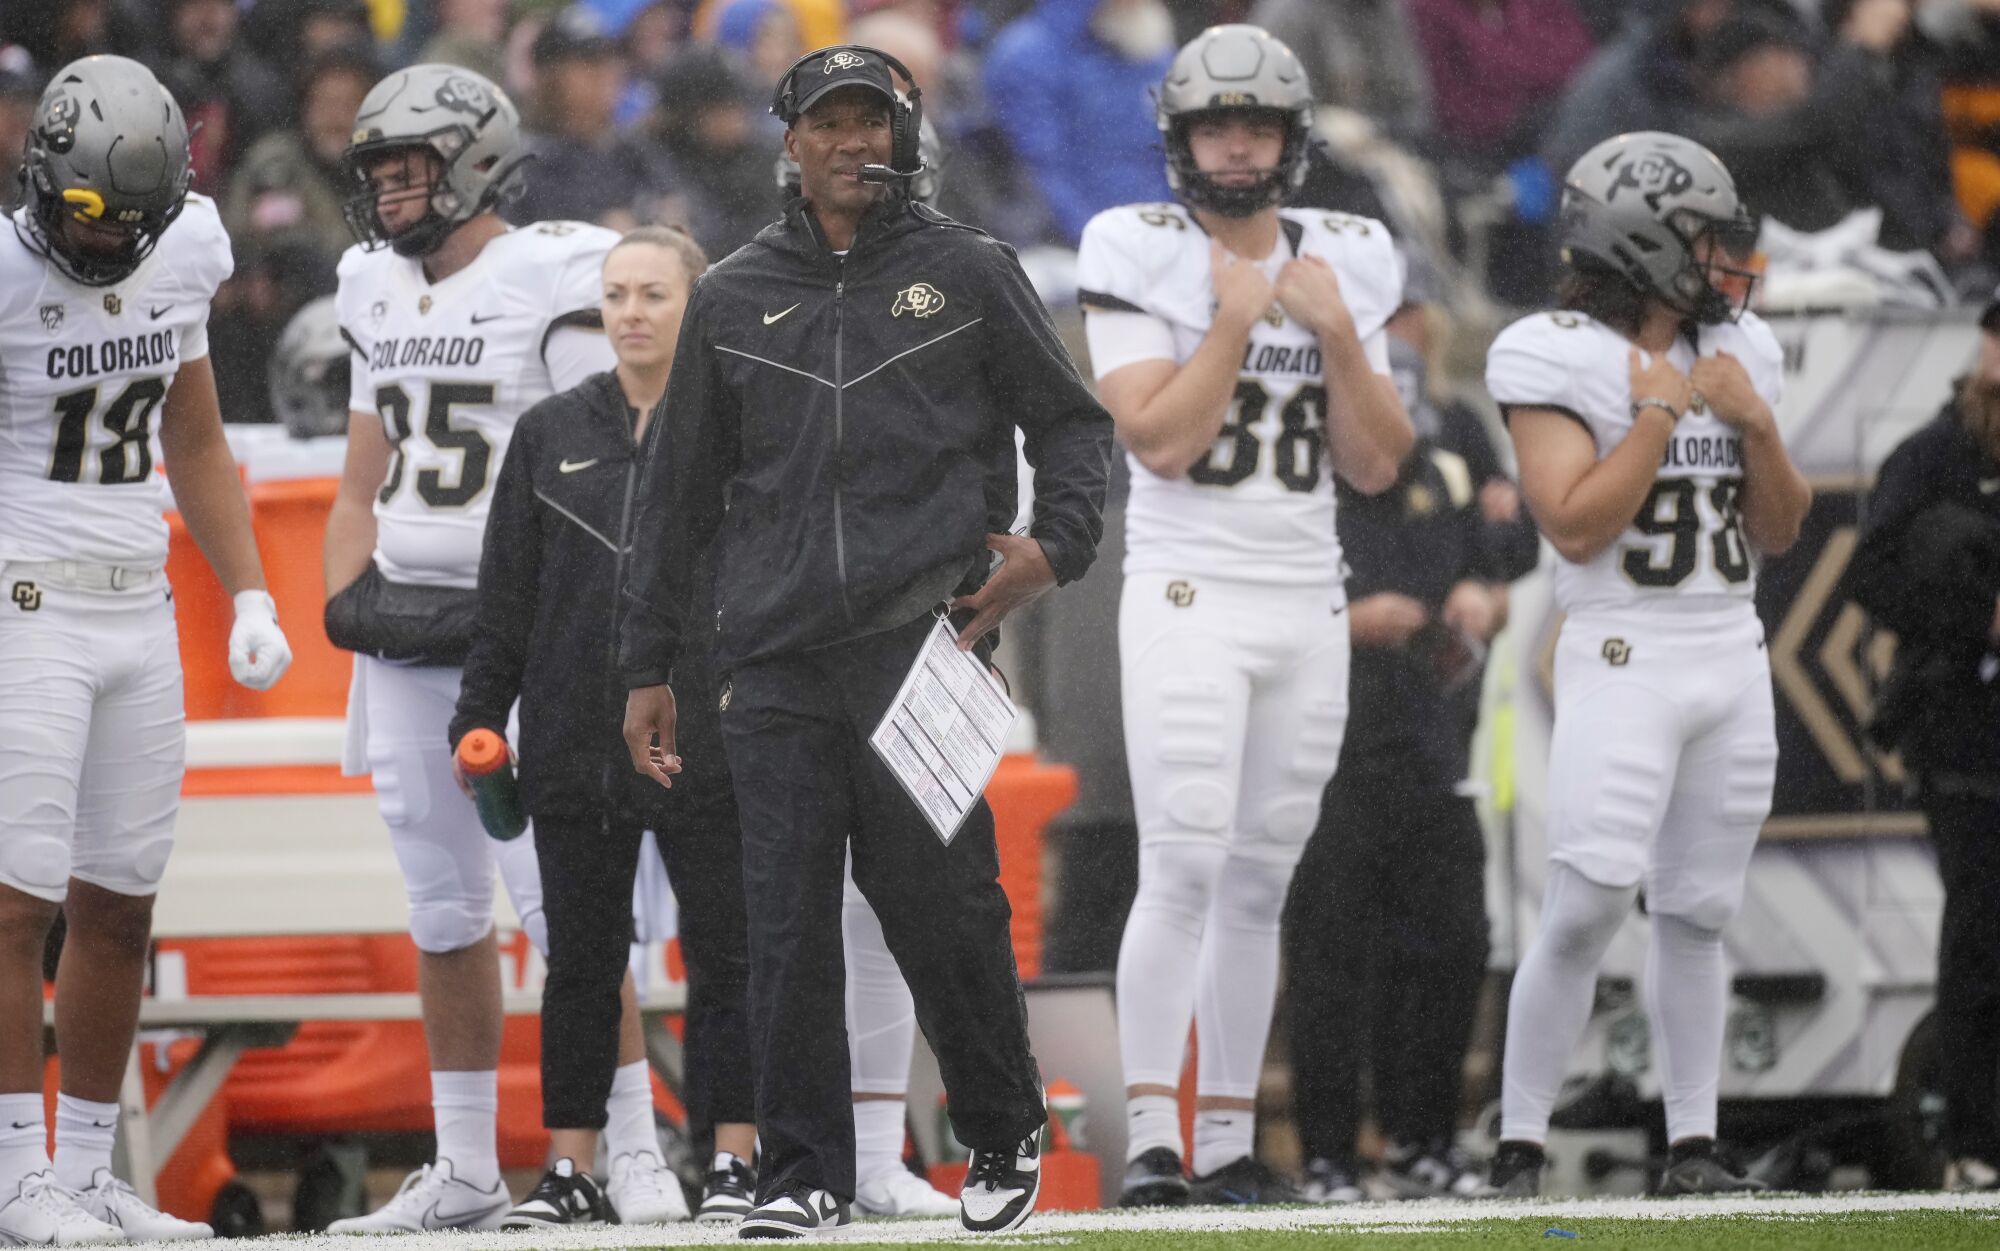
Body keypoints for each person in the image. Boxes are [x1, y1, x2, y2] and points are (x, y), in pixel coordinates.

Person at [619, 43, 1113, 1238]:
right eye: (828, 124)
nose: (853, 144)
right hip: (773, 657)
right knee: (778, 924)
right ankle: (801, 1177)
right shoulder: (731, 294)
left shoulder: (973, 269)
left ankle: (998, 1134)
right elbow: (676, 494)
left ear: (902, 135)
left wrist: (1057, 545)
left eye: (872, 123)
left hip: (922, 642)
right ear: (789, 142)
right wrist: (646, 664)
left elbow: (1073, 424)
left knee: (946, 909)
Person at [318, 63, 671, 1232]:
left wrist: (579, 635)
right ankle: (466, 1163)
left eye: (408, 166)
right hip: (406, 635)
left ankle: (628, 1152)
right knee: (441, 910)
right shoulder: (368, 281)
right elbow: (361, 477)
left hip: (522, 637)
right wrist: (345, 597)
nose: (388, 191)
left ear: (474, 161)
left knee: (562, 906)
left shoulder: (552, 272)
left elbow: (603, 465)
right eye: (377, 170)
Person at [1076, 24, 1414, 1208]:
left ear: (1290, 138)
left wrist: (1328, 333)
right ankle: (1154, 1141)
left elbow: (1377, 464)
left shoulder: (1349, 258)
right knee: (1179, 861)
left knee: (1262, 877)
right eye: (1214, 124)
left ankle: (1224, 1137)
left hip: (1303, 591)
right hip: (1186, 590)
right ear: (1179, 140)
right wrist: (1231, 320)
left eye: (1253, 124)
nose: (1233, 145)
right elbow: (1158, 440)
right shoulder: (1134, 242)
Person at [1482, 130, 1812, 1197]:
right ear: (1637, 237)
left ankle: (1691, 1146)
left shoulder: (1742, 350)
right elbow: (1573, 523)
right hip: (1621, 648)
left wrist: (1755, 426)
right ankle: (1518, 1147)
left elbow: (1778, 528)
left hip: (1727, 647)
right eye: (1699, 238)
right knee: (1584, 902)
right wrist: (1662, 409)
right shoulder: (1550, 350)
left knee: (1698, 911)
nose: (1721, 260)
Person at [0, 54, 292, 1244]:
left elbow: (197, 433)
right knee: (15, 907)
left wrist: (250, 592)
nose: (114, 242)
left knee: (119, 902)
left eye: (136, 222)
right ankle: (17, 1173)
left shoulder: (184, 248)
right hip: (23, 599)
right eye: (92, 217)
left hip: (137, 604)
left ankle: (81, 1173)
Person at [449, 226, 759, 1228]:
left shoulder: (745, 426)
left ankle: (734, 1162)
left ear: (696, 307)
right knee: (581, 959)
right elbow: (506, 600)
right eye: (615, 294)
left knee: (726, 952)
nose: (629, 312)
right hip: (574, 736)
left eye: (652, 295)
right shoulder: (546, 433)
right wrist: (477, 714)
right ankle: (571, 1170)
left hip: (708, 732)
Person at [1850, 292, 2000, 1193]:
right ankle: (1980, 1147)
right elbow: (1872, 571)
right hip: (1968, 741)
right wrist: (1978, 618)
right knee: (1983, 944)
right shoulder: (1935, 457)